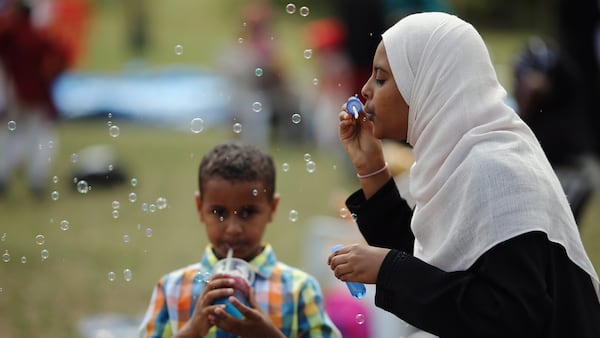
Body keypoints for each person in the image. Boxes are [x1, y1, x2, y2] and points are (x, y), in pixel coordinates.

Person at [327, 12, 600, 338]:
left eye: (382, 78)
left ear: (429, 85)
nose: (366, 90)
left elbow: (509, 316)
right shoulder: (461, 157)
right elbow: (434, 263)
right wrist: (370, 168)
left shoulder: (496, 169)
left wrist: (389, 271)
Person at [138, 142, 341, 338]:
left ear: (272, 208)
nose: (233, 229)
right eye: (218, 212)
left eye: (248, 212)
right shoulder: (172, 288)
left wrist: (269, 335)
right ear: (200, 207)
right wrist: (192, 332)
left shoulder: (299, 290)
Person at [0, 0, 68, 198]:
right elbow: (62, 56)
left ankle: (5, 177)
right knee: (40, 137)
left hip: (15, 96)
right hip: (35, 96)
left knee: (11, 135)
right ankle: (36, 179)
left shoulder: (9, 34)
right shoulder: (37, 36)